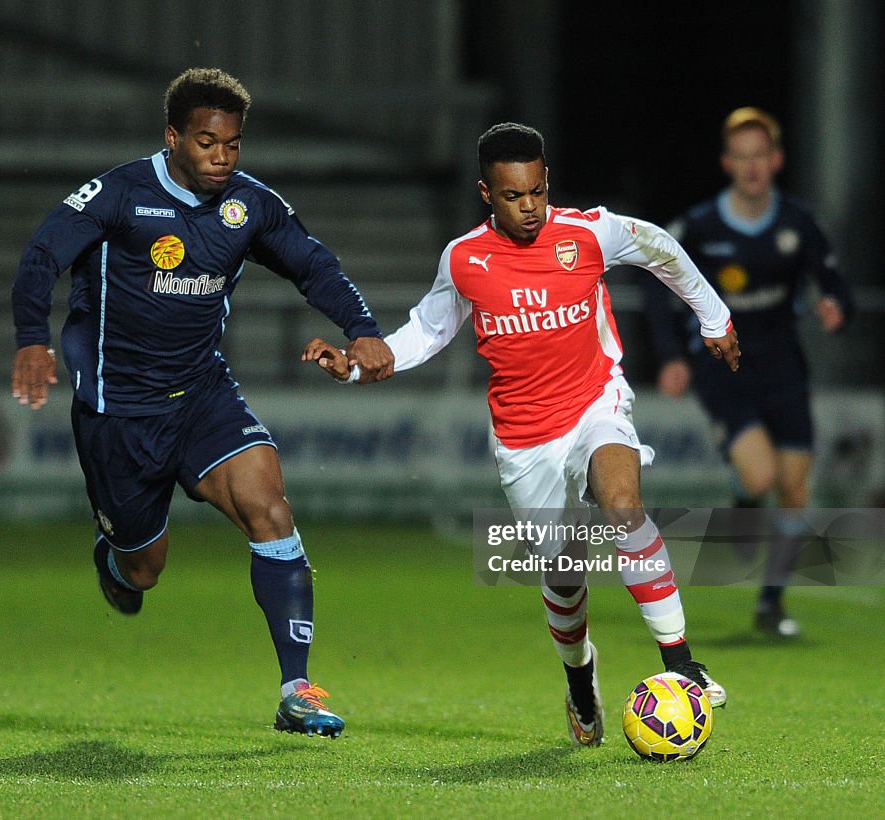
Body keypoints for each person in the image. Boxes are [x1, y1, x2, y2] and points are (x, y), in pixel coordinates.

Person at [303, 122, 739, 747]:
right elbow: (425, 332)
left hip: (596, 402)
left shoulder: (589, 231)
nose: (528, 206)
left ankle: (683, 665)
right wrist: (353, 366)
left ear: (545, 182)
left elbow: (662, 248)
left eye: (536, 191)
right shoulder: (464, 259)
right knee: (563, 574)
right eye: (513, 196)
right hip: (524, 437)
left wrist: (714, 316)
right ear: (487, 192)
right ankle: (580, 678)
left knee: (623, 506)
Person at [10, 67, 394, 738]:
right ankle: (117, 562)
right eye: (208, 142)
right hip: (118, 410)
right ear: (173, 138)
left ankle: (297, 688)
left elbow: (313, 264)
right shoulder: (118, 194)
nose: (223, 157)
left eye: (234, 144)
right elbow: (41, 257)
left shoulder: (249, 206)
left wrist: (361, 329)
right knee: (145, 569)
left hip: (203, 395)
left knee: (269, 506)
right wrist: (30, 341)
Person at [642, 107, 852, 638]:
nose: (752, 166)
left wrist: (836, 307)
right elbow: (654, 282)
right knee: (762, 478)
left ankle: (771, 604)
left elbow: (834, 282)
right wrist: (670, 356)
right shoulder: (699, 225)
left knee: (796, 487)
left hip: (783, 363)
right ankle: (743, 492)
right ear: (727, 163)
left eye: (761, 155)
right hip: (723, 364)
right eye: (742, 156)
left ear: (776, 161)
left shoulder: (798, 224)